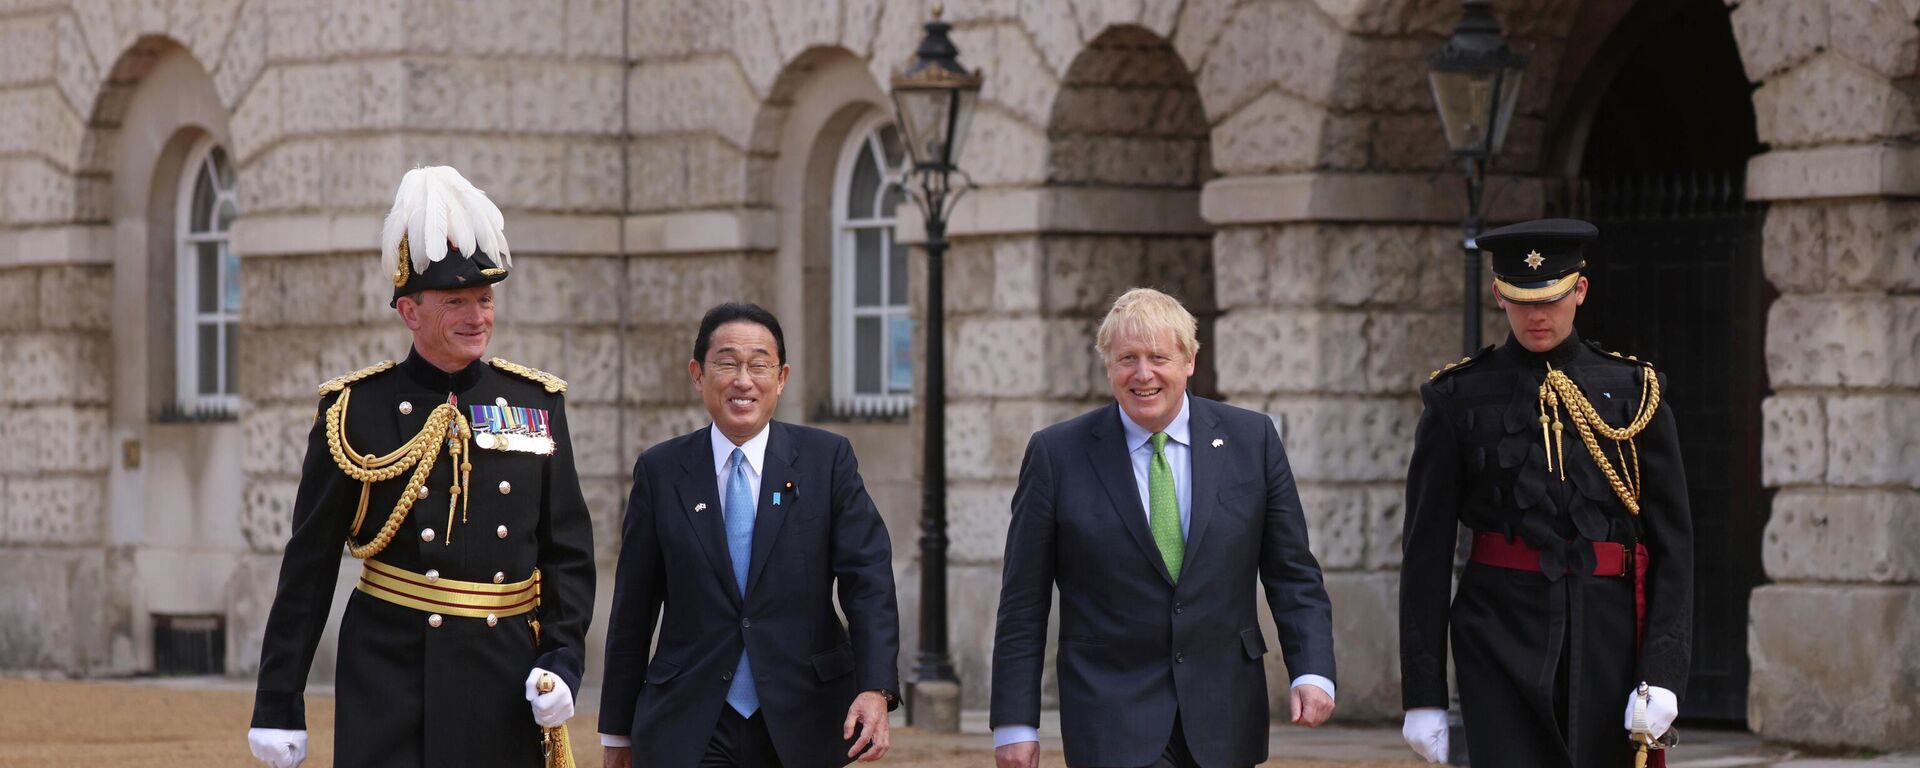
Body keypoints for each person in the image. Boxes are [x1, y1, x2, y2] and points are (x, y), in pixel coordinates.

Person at [247, 166, 596, 767]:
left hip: (505, 676)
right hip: (392, 677)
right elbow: (309, 567)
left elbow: (567, 553)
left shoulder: (535, 403)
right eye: (455, 301)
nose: (476, 316)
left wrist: (561, 659)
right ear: (409, 311)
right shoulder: (353, 410)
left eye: (485, 299)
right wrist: (279, 702)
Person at [990, 287, 1338, 768]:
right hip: (1109, 713)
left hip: (1225, 711)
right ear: (1107, 365)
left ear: (1190, 360)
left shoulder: (1251, 440)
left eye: (1158, 357)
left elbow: (1293, 572)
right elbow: (1022, 601)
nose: (1143, 374)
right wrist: (1014, 723)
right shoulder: (1057, 455)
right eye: (1126, 358)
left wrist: (1313, 670)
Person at [1398, 218, 1693, 766]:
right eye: (1521, 299)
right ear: (1498, 295)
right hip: (1497, 638)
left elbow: (1675, 548)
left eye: (1553, 299)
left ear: (1580, 290)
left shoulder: (1636, 391)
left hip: (1610, 640)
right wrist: (1423, 695)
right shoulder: (1457, 397)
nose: (1537, 315)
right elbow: (1425, 555)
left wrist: (1663, 675)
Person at [599, 303, 900, 768]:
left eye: (759, 365)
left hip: (804, 714)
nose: (744, 380)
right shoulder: (661, 471)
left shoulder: (827, 460)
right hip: (691, 718)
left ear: (781, 378)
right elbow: (634, 606)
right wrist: (617, 729)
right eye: (727, 362)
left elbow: (869, 581)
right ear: (698, 374)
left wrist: (875, 688)